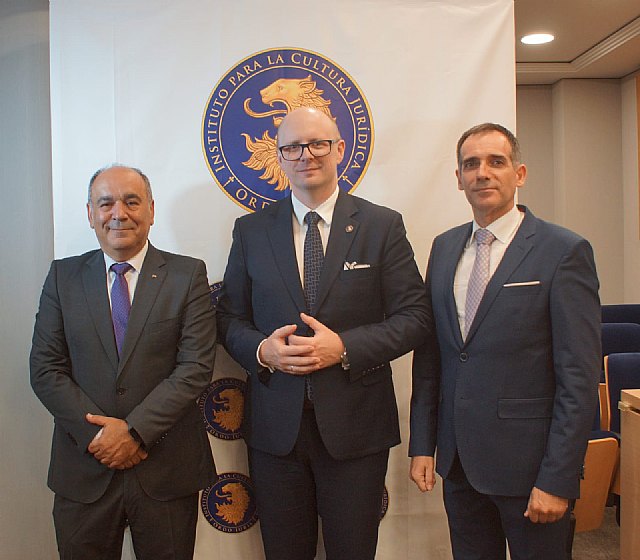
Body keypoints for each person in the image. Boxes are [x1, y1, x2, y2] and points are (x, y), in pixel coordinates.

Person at [217, 107, 429, 560]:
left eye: (317, 144)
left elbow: (415, 317)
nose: (305, 155)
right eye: (292, 147)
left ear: (339, 149)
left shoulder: (381, 225)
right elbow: (228, 318)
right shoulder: (251, 231)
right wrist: (263, 351)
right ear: (279, 156)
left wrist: (345, 347)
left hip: (357, 429)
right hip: (276, 431)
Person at [409, 123, 601, 559]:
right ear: (458, 179)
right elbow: (432, 358)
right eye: (471, 164)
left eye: (496, 162)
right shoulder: (444, 248)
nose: (482, 173)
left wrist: (558, 478)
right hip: (460, 465)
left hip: (531, 470)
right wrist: (423, 445)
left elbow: (578, 378)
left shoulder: (563, 251)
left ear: (520, 173)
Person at [30, 165, 216, 560]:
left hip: (166, 470)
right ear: (90, 213)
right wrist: (99, 437)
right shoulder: (62, 277)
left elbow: (195, 367)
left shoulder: (187, 275)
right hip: (84, 470)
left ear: (151, 210)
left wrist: (133, 433)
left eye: (132, 202)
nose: (119, 213)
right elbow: (46, 369)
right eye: (106, 203)